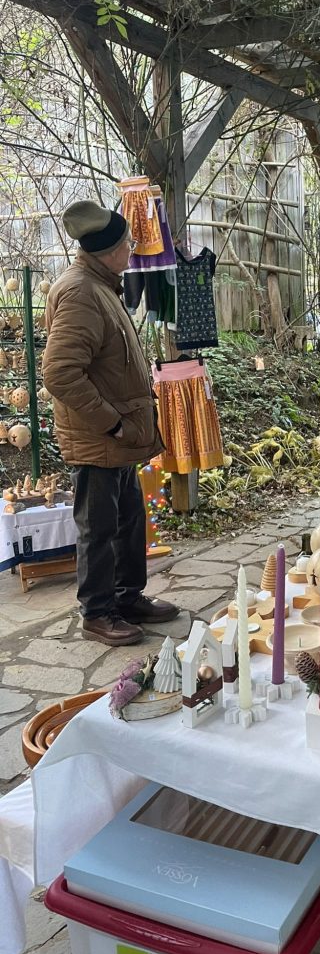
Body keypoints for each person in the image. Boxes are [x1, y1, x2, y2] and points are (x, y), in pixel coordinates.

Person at [43, 200, 179, 646]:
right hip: (100, 438)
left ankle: (127, 597)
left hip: (119, 438)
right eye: (128, 244)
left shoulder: (102, 285)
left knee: (128, 521)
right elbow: (60, 373)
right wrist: (112, 424)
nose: (133, 250)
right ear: (108, 250)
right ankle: (97, 613)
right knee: (98, 527)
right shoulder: (81, 291)